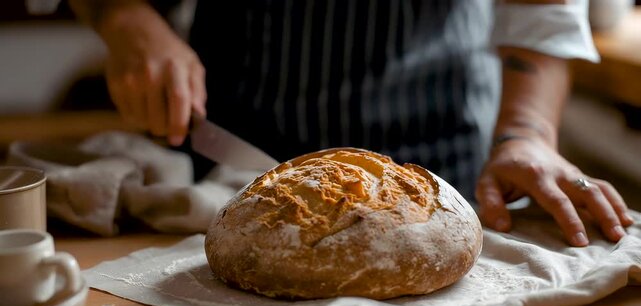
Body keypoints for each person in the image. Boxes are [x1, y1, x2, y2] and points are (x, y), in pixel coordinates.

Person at [69, 0, 633, 246]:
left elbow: (540, 6)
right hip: (232, 168)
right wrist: (125, 18)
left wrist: (527, 134)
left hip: (447, 172)